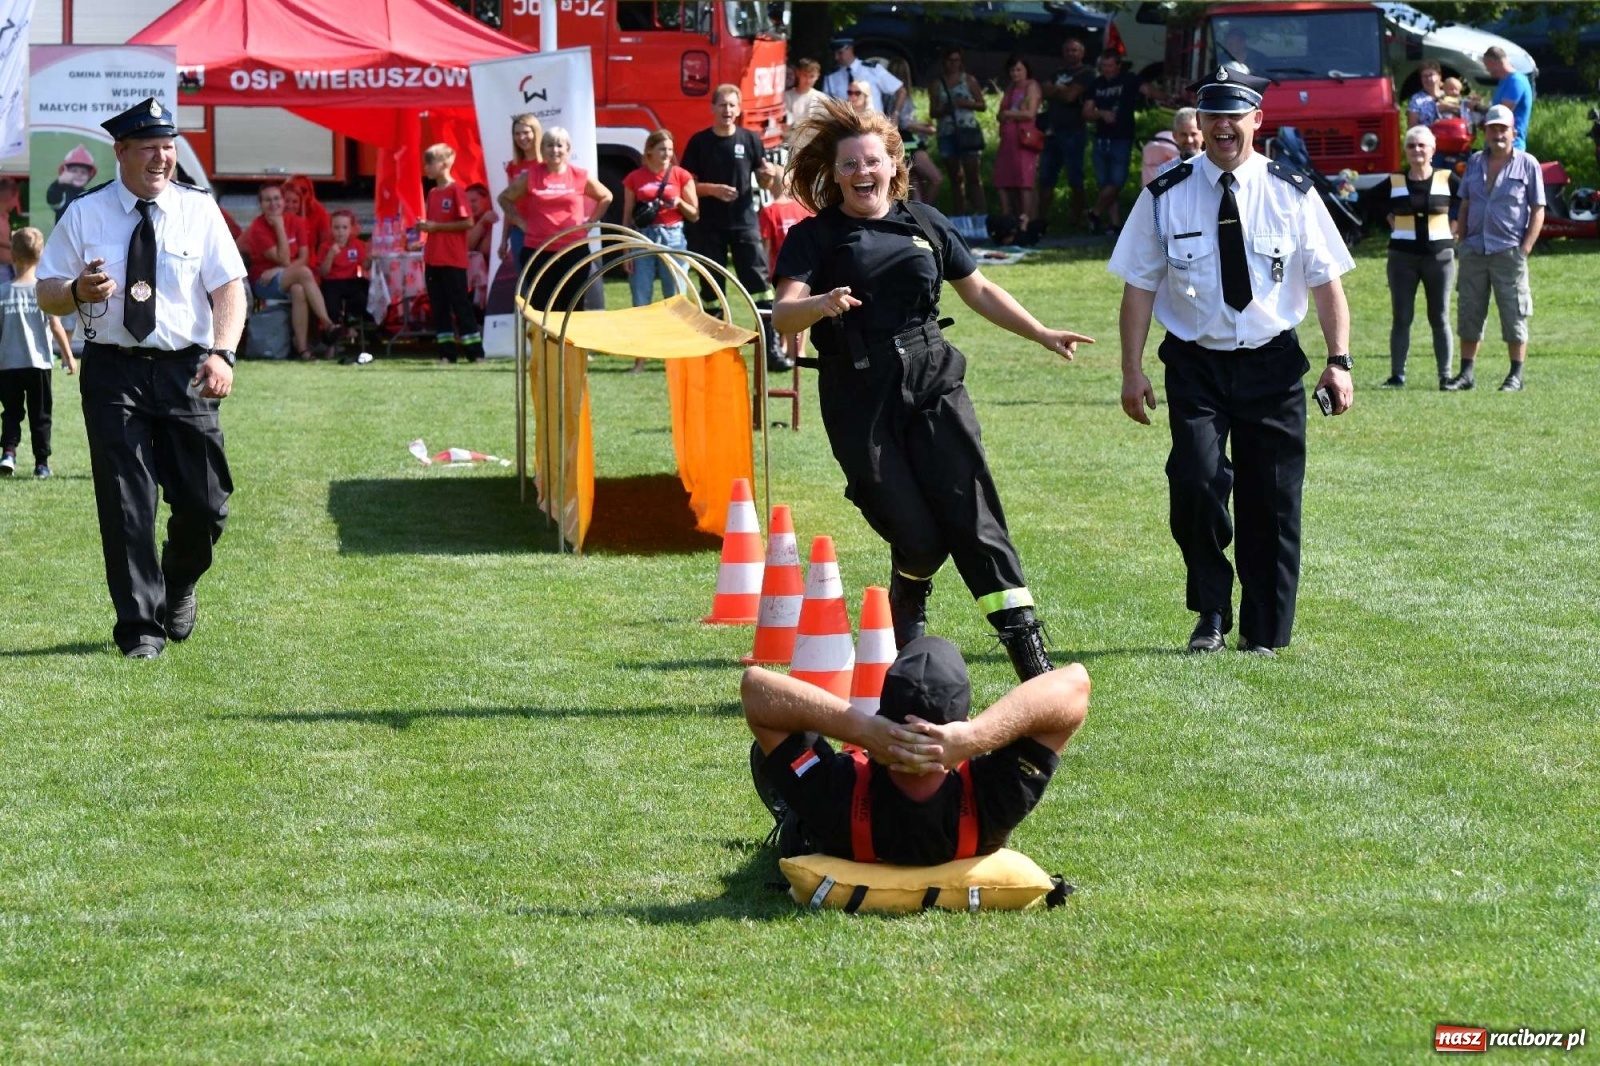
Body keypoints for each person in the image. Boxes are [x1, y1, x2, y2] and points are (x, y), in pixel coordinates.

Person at [773, 98, 1094, 679]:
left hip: (933, 379)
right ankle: (909, 589)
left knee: (974, 517)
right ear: (835, 174)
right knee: (917, 535)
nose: (861, 173)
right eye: (849, 165)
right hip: (858, 394)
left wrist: (1041, 332)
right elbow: (784, 315)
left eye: (872, 161)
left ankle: (1030, 656)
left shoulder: (926, 223)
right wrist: (818, 304)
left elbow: (979, 291)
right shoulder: (815, 237)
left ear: (894, 166)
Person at [1108, 67, 1356, 657]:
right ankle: (1211, 610)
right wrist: (1131, 369)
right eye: (1212, 115)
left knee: (1272, 499)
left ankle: (1263, 631)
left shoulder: (1291, 190)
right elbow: (1139, 287)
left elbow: (1326, 283)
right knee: (1194, 481)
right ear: (1200, 123)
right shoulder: (1165, 192)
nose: (1223, 127)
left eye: (1234, 115)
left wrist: (1339, 361)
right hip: (1197, 364)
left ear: (1256, 120)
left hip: (1271, 365)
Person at [37, 97, 247, 659]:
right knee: (127, 502)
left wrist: (223, 354)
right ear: (121, 152)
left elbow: (229, 288)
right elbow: (47, 290)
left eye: (169, 147)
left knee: (206, 503)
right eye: (151, 147)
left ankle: (179, 582)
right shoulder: (86, 212)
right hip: (113, 373)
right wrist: (78, 291)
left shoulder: (199, 211)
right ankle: (139, 629)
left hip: (186, 369)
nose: (163, 157)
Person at [744, 636, 1090, 865]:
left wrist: (863, 731)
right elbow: (1075, 684)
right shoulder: (995, 802)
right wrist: (975, 736)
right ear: (962, 720)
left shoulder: (836, 796)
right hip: (966, 821)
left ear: (882, 716)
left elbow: (756, 688)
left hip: (829, 820)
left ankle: (789, 815)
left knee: (774, 751)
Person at [679, 86, 785, 372]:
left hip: (744, 224)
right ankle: (713, 349)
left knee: (760, 287)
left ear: (739, 110)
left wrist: (766, 177)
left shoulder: (750, 139)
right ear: (712, 108)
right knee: (712, 287)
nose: (727, 111)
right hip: (708, 226)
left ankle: (771, 348)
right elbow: (685, 186)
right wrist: (711, 190)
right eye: (722, 105)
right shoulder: (699, 142)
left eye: (732, 106)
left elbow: (764, 181)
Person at [1444, 105, 1544, 393]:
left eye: (1503, 129)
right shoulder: (1474, 162)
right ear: (1485, 132)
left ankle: (1515, 376)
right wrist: (1462, 241)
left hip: (1509, 251)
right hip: (1474, 249)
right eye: (1492, 128)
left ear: (1514, 132)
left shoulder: (1528, 164)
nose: (1498, 134)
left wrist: (1524, 248)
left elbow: (1538, 209)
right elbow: (1464, 204)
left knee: (1514, 312)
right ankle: (1466, 374)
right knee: (1469, 311)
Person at [501, 126, 612, 319]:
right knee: (541, 309)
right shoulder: (532, 175)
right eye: (549, 145)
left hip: (573, 251)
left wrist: (590, 221)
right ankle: (544, 349)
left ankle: (572, 349)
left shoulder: (579, 175)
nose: (554, 150)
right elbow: (504, 198)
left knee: (573, 307)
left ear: (568, 149)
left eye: (559, 145)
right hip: (538, 250)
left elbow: (606, 197)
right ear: (542, 149)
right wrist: (520, 222)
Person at [1382, 125, 1459, 389]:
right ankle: (1397, 376)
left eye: (1422, 145)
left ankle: (1445, 375)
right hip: (1402, 258)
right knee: (1401, 317)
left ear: (1433, 150)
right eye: (1411, 145)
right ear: (1405, 150)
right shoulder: (1395, 181)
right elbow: (1368, 203)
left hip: (1440, 258)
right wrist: (1388, 219)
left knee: (1440, 317)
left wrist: (1458, 227)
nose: (1417, 150)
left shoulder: (1447, 178)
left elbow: (1468, 201)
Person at [0, 228, 76, 479]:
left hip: (8, 365)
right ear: (40, 256)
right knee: (40, 415)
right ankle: (41, 464)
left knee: (11, 412)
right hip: (39, 364)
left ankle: (8, 454)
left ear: (12, 255)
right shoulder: (41, 291)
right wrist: (68, 357)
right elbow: (56, 326)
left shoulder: (2, 291)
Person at [621, 129, 699, 371]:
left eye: (669, 148)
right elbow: (626, 217)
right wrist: (625, 250)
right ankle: (641, 358)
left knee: (675, 298)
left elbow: (695, 214)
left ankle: (674, 355)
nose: (667, 153)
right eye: (662, 149)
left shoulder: (681, 175)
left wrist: (679, 203)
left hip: (673, 237)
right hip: (642, 237)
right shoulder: (634, 178)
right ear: (649, 151)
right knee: (641, 299)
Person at [239, 183, 339, 359]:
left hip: (287, 277)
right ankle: (328, 324)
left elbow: (304, 257)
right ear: (261, 204)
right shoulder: (257, 228)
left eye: (277, 198)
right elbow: (285, 259)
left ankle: (303, 350)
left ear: (283, 201)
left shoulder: (298, 222)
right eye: (267, 200)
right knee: (305, 273)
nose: (273, 203)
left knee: (299, 289)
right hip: (264, 282)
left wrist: (278, 269)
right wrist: (279, 227)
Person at [416, 143, 484, 363]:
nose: (426, 167)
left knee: (460, 304)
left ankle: (475, 352)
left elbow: (467, 222)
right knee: (439, 306)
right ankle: (447, 353)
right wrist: (425, 228)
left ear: (444, 164)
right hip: (433, 258)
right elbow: (436, 224)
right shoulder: (433, 192)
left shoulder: (456, 190)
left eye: (430, 162)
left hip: (453, 259)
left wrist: (436, 227)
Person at [1085, 50, 1148, 235]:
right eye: (1103, 66)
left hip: (1122, 138)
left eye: (1110, 66)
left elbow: (1148, 90)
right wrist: (1101, 114)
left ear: (1118, 65)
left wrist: (1168, 97)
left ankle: (1094, 212)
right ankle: (1115, 225)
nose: (1106, 70)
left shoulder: (1129, 79)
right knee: (1105, 185)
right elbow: (1086, 112)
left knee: (1117, 182)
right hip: (1101, 139)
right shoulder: (1096, 84)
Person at [1036, 37, 1096, 234]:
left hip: (1074, 131)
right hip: (1052, 131)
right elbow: (1042, 90)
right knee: (1046, 177)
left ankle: (1076, 220)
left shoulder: (1087, 73)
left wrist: (1059, 91)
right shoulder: (1056, 72)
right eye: (1068, 50)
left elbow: (1071, 96)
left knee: (1075, 177)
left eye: (1075, 50)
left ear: (1082, 53)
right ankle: (1040, 221)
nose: (1071, 53)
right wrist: (1062, 90)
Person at [928, 47, 988, 230]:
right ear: (944, 62)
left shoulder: (969, 80)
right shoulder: (937, 84)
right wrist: (944, 108)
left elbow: (982, 105)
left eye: (956, 60)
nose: (953, 64)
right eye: (950, 60)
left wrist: (966, 103)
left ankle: (983, 217)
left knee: (973, 176)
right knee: (955, 177)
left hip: (968, 130)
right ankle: (960, 219)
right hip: (947, 132)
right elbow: (933, 111)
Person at [758, 174, 813, 370]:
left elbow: (765, 245)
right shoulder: (804, 208)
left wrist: (764, 269)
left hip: (780, 268)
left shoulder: (768, 210)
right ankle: (798, 350)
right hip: (805, 266)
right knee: (802, 306)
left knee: (786, 307)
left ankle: (790, 350)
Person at [994, 55, 1043, 235]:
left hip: (1024, 140)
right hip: (1007, 142)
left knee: (1025, 181)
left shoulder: (1032, 86)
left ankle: (1026, 220)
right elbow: (1000, 113)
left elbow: (1029, 113)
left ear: (1026, 70)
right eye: (1012, 70)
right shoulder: (1010, 87)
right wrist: (1005, 114)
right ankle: (1008, 218)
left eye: (1019, 69)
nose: (1015, 73)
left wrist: (1009, 114)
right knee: (1004, 180)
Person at [317, 209, 370, 360]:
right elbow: (323, 272)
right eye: (336, 227)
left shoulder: (357, 245)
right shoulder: (326, 247)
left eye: (344, 228)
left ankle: (350, 324)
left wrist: (370, 257)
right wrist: (331, 256)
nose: (340, 232)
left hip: (351, 281)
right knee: (331, 308)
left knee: (363, 295)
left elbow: (364, 266)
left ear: (351, 229)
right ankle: (331, 344)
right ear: (331, 229)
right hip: (332, 282)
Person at [888, 57, 941, 206]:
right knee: (936, 179)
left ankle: (918, 215)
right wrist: (926, 129)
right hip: (908, 141)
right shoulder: (899, 95)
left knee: (915, 184)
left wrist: (921, 124)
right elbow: (904, 123)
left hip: (904, 140)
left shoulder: (891, 94)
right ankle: (926, 213)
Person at [497, 113, 544, 267]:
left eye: (526, 132)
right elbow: (508, 204)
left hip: (544, 229)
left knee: (546, 278)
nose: (521, 137)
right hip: (519, 231)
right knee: (525, 281)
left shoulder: (547, 162)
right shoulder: (513, 166)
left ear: (535, 132)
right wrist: (504, 240)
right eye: (517, 133)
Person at [822, 37, 904, 118]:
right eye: (835, 54)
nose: (836, 57)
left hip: (874, 124)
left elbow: (901, 91)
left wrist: (895, 115)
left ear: (850, 49)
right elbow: (826, 104)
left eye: (840, 53)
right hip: (846, 126)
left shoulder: (873, 69)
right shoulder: (831, 77)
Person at [281, 176, 333, 273]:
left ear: (311, 192)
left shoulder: (320, 212)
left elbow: (326, 243)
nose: (290, 205)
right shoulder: (273, 217)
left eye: (303, 190)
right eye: (287, 200)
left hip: (307, 266)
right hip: (282, 267)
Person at [1485, 47, 1533, 150]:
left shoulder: (1516, 81)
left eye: (1487, 66)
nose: (1487, 70)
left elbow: (1501, 114)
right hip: (1496, 145)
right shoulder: (1504, 81)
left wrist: (1476, 107)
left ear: (1492, 62)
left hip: (1511, 146)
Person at [465, 182, 498, 310]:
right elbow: (469, 245)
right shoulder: (470, 220)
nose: (470, 205)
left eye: (474, 201)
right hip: (474, 282)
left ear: (487, 199)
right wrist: (482, 223)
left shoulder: (496, 216)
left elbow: (485, 249)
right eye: (467, 201)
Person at [784, 58, 829, 149]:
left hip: (813, 146)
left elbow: (823, 125)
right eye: (805, 75)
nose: (808, 80)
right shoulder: (786, 96)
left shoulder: (821, 98)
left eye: (811, 76)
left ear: (817, 76)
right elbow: (784, 125)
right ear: (798, 74)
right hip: (789, 144)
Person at [47, 145, 97, 222]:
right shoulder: (63, 195)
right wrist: (59, 183)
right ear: (64, 172)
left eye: (83, 172)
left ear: (89, 176)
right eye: (74, 171)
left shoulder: (88, 196)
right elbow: (53, 198)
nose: (79, 174)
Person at [1406, 61, 1444, 129]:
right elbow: (1412, 127)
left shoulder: (1448, 95)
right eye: (1425, 76)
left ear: (1439, 76)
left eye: (1431, 75)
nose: (1428, 79)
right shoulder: (1416, 99)